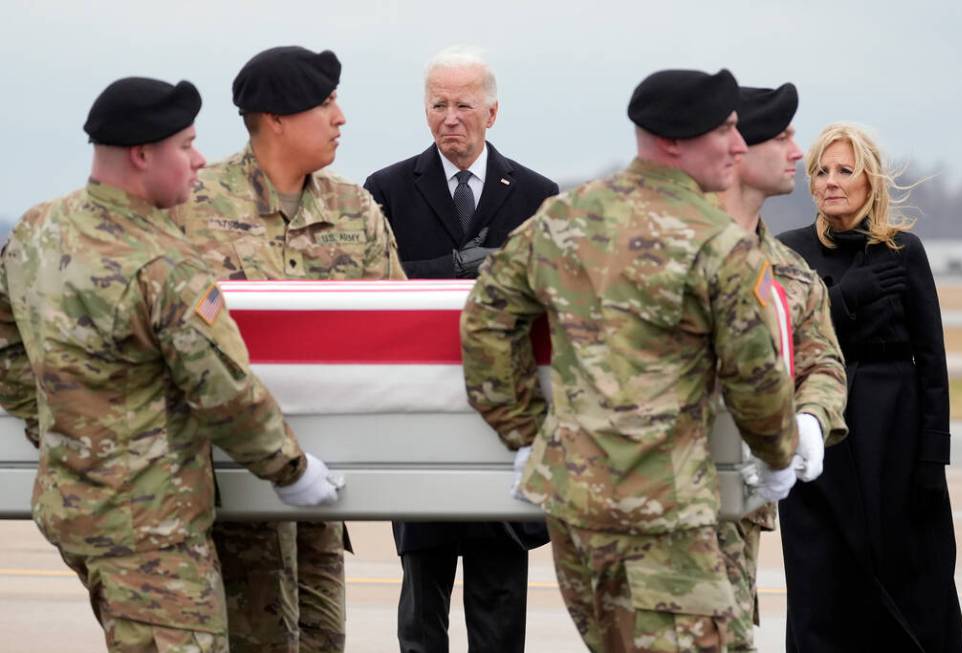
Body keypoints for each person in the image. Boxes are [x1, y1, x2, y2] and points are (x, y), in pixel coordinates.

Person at [461, 68, 803, 653]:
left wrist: (524, 433)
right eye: (724, 131)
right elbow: (756, 377)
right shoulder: (717, 243)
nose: (739, 145)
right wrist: (779, 454)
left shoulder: (565, 218)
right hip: (664, 519)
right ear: (674, 142)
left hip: (574, 508)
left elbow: (485, 318)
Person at [0, 77, 340, 653]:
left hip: (73, 506)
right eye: (185, 146)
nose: (200, 160)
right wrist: (293, 469)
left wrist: (65, 426)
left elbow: (7, 344)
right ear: (142, 155)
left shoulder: (38, 229)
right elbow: (225, 393)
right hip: (150, 526)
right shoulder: (161, 261)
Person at [172, 47, 405, 653]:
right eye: (326, 102)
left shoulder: (356, 209)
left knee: (324, 641)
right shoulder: (191, 207)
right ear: (276, 118)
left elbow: (400, 328)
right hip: (225, 486)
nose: (341, 117)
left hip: (322, 490)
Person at [363, 45, 558, 653]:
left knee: (499, 595)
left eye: (464, 105)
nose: (451, 117)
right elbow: (376, 282)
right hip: (422, 408)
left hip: (504, 419)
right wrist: (450, 267)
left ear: (491, 113)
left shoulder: (535, 192)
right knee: (423, 596)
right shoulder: (388, 188)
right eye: (438, 104)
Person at [778, 123, 962, 652]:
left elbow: (932, 360)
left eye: (845, 170)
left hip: (897, 442)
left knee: (914, 585)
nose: (831, 182)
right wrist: (842, 299)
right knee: (824, 587)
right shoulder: (789, 251)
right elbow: (780, 344)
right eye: (821, 170)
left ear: (871, 180)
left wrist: (934, 457)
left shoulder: (904, 251)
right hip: (823, 445)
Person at [714, 84, 848, 652]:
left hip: (736, 523)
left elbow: (822, 359)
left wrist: (813, 418)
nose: (799, 153)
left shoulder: (789, 274)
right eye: (784, 137)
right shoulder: (653, 250)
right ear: (739, 150)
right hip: (649, 515)